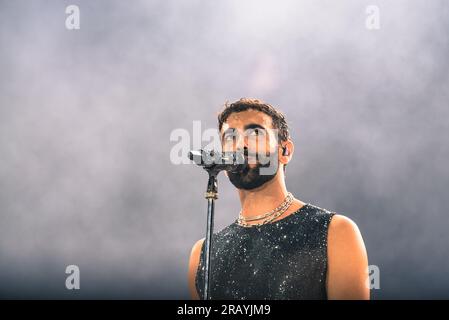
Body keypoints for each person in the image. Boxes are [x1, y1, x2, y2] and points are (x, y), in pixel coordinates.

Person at [188, 98, 369, 300]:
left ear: (285, 151)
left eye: (255, 133)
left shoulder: (336, 232)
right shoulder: (203, 253)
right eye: (230, 137)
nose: (241, 144)